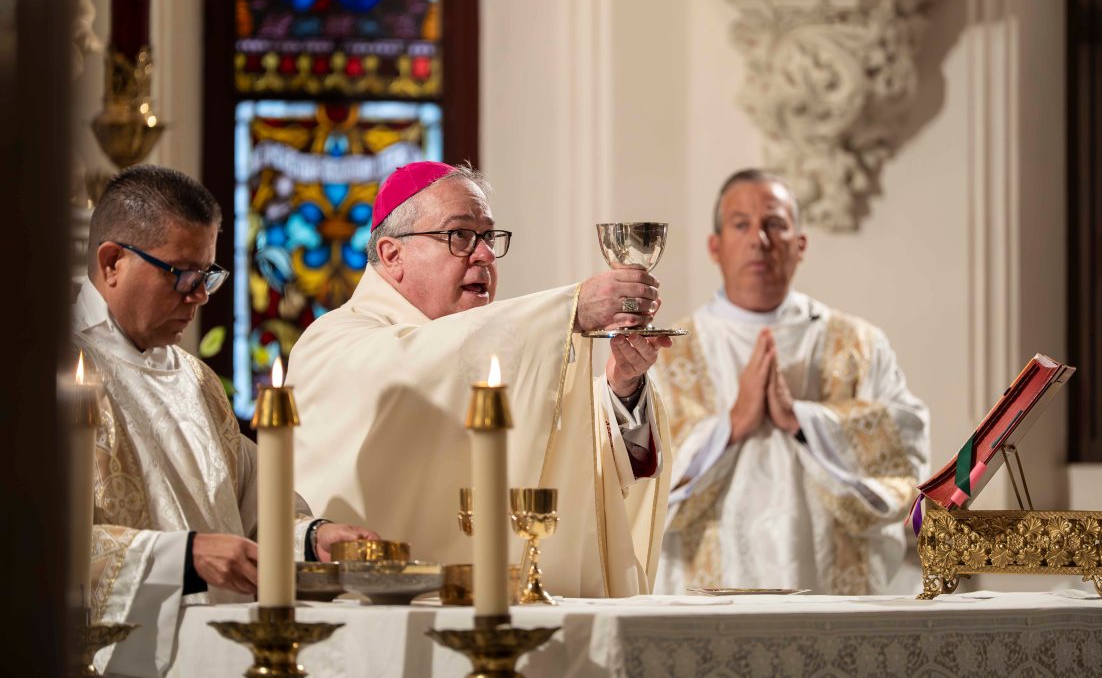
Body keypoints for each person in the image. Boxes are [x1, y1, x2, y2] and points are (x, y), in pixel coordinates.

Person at [289, 161, 673, 597]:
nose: (485, 254)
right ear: (393, 255)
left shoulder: (517, 349)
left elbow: (577, 468)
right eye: (460, 236)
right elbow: (414, 369)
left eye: (488, 236)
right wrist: (571, 307)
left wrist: (623, 387)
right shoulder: (335, 340)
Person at [74, 164, 377, 677]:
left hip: (221, 655)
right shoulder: (45, 377)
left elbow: (248, 508)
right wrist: (185, 557)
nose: (200, 296)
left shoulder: (196, 381)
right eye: (183, 275)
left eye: (208, 275)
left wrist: (310, 539)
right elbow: (36, 540)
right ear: (112, 263)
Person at [650, 169, 929, 595]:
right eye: (740, 224)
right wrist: (731, 425)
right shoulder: (669, 352)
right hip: (703, 595)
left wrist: (801, 419)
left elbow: (906, 450)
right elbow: (636, 485)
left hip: (832, 590)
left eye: (774, 224)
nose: (758, 240)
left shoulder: (859, 344)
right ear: (715, 246)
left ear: (800, 245)